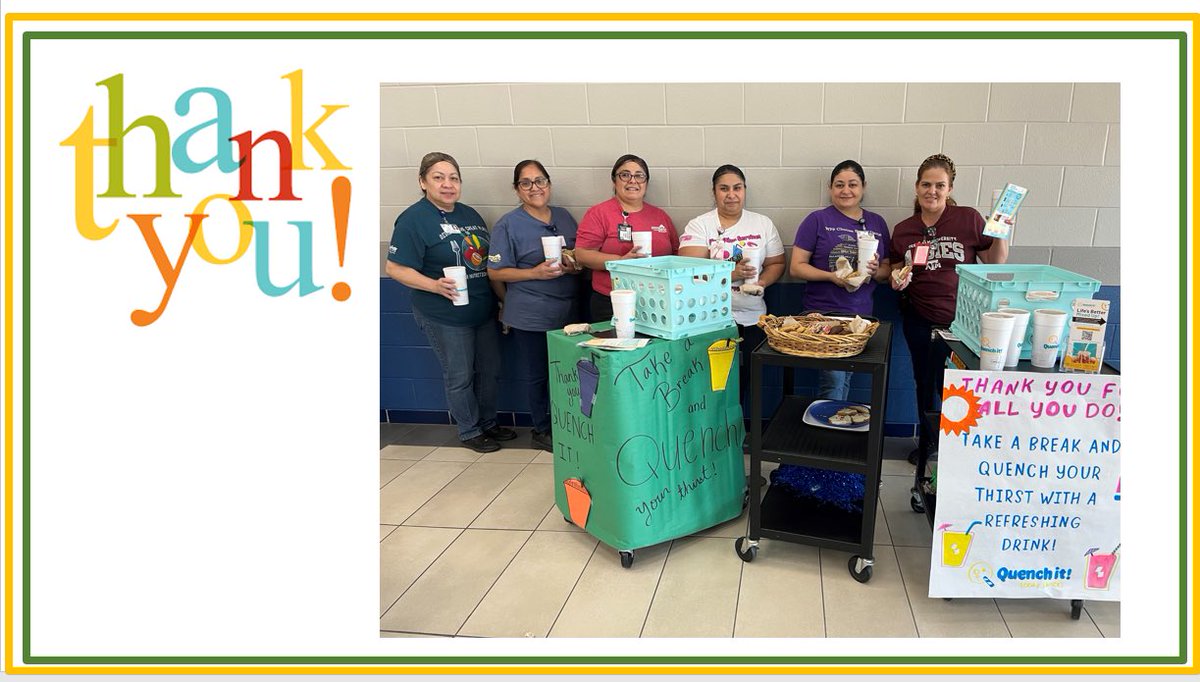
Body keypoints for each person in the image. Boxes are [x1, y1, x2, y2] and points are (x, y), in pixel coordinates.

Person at [385, 152, 518, 454]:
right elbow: (395, 268)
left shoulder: (469, 215)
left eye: (453, 178)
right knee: (459, 374)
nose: (447, 184)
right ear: (423, 182)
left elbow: (485, 264)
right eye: (438, 177)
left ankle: (488, 422)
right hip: (444, 314)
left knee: (489, 369)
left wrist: (501, 302)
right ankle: (470, 430)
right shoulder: (413, 220)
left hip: (482, 310)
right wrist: (433, 285)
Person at [891, 153, 1009, 463]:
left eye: (939, 185)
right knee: (925, 381)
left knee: (958, 385)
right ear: (917, 187)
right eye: (926, 184)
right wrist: (895, 276)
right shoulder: (904, 229)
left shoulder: (967, 218)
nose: (932, 191)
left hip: (963, 321)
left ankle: (959, 449)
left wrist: (1003, 229)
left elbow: (995, 261)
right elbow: (893, 266)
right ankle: (930, 444)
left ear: (949, 187)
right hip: (918, 316)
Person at [486, 160, 581, 452]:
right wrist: (533, 273)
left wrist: (572, 267)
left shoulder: (564, 217)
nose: (534, 188)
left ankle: (569, 425)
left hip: (568, 311)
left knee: (569, 373)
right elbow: (495, 273)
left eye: (540, 181)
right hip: (530, 313)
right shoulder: (508, 224)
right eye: (526, 183)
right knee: (539, 374)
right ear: (517, 189)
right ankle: (542, 430)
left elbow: (577, 258)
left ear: (549, 184)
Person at [678, 164, 785, 406]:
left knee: (746, 380)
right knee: (714, 382)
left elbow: (777, 262)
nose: (731, 194)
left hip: (753, 317)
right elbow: (688, 270)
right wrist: (731, 271)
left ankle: (738, 433)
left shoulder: (762, 223)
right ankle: (714, 434)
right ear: (714, 192)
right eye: (723, 188)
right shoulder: (700, 225)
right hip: (711, 318)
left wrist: (761, 282)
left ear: (744, 190)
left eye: (737, 188)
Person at [789, 159, 892, 401]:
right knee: (834, 380)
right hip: (824, 315)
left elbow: (886, 270)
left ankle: (835, 427)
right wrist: (831, 277)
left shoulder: (877, 223)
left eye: (853, 184)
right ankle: (829, 431)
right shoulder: (817, 220)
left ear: (863, 187)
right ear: (830, 188)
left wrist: (876, 271)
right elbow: (796, 267)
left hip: (861, 317)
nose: (846, 190)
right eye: (839, 185)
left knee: (845, 377)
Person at [574, 154, 679, 323]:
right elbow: (582, 254)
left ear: (646, 182)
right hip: (613, 302)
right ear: (614, 181)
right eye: (625, 175)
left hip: (657, 302)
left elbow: (675, 254)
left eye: (639, 175)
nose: (632, 181)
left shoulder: (660, 216)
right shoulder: (599, 213)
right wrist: (620, 261)